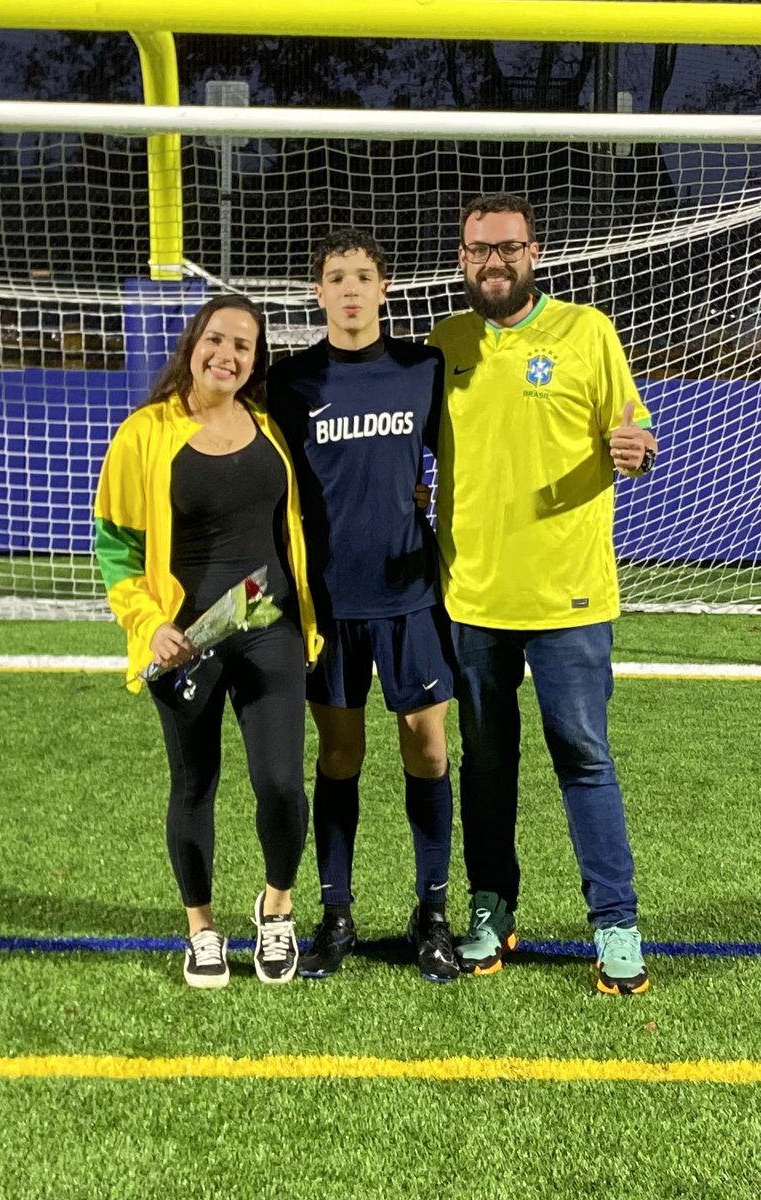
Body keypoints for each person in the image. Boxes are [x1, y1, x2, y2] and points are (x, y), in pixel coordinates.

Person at [428, 193, 658, 995]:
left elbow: (634, 434)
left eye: (509, 248)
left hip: (571, 600)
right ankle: (492, 909)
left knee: (584, 758)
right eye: (478, 250)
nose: (494, 262)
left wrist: (635, 448)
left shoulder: (587, 332)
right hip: (472, 597)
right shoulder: (444, 344)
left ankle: (616, 923)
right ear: (462, 259)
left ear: (535, 253)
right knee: (487, 763)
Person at [94, 295, 322, 989]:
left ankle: (276, 909)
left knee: (281, 785)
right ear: (194, 343)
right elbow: (115, 549)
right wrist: (149, 625)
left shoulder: (270, 427)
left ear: (256, 361)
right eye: (216, 339)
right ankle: (202, 929)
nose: (227, 354)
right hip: (188, 642)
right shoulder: (144, 434)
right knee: (194, 785)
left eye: (244, 346)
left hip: (268, 626)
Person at [267, 229, 459, 984]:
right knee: (340, 754)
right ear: (319, 293)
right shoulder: (292, 381)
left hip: (411, 598)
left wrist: (433, 502)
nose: (350, 289)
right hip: (329, 605)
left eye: (364, 276)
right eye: (336, 277)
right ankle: (336, 912)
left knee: (428, 748)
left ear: (386, 288)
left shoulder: (422, 369)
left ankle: (432, 913)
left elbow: (469, 452)